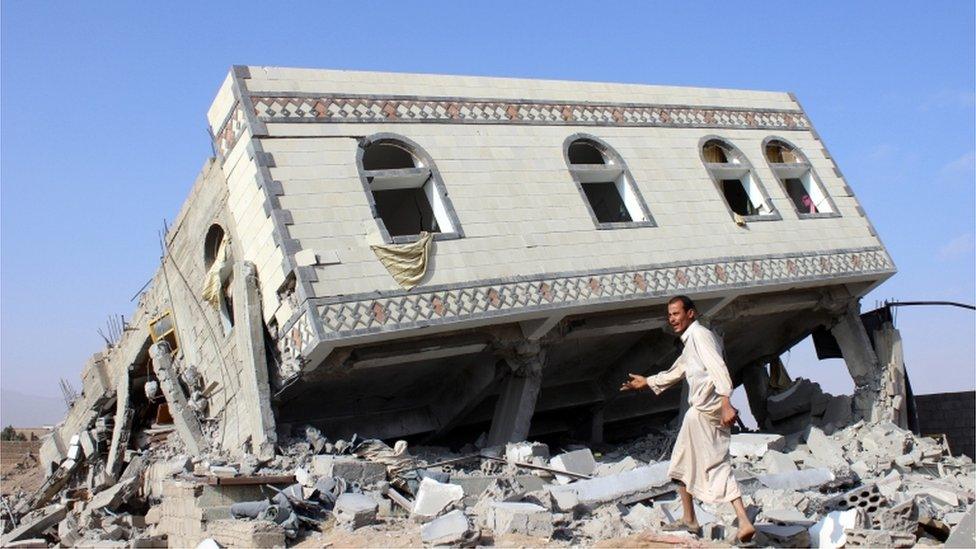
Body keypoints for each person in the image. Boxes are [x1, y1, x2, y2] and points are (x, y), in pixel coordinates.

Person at [620, 295, 756, 544]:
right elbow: (678, 370)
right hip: (697, 413)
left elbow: (719, 367)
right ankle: (690, 518)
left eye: (676, 313)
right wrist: (647, 382)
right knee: (681, 463)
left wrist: (726, 402)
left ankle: (743, 520)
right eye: (669, 315)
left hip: (709, 411)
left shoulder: (701, 336)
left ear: (690, 313)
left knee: (716, 465)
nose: (672, 319)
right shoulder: (690, 341)